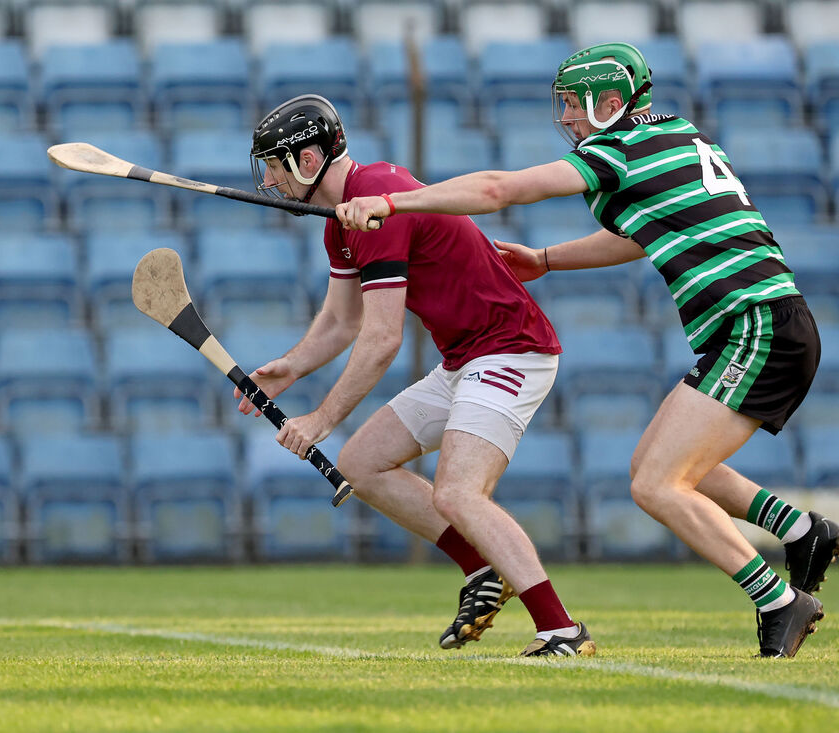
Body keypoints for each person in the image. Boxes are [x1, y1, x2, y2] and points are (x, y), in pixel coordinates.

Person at [336, 42, 839, 658]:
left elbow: (500, 188)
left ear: (611, 102)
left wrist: (392, 202)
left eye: (573, 106)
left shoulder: (618, 148)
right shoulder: (677, 137)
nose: (567, 119)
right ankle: (800, 531)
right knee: (663, 466)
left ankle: (779, 601)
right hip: (758, 323)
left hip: (755, 324)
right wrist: (548, 260)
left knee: (658, 485)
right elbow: (636, 237)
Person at [237, 93, 595, 657]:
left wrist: (321, 419)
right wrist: (289, 366)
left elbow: (382, 340)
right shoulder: (344, 222)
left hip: (511, 351)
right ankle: (483, 568)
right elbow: (339, 321)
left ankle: (561, 629)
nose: (272, 181)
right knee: (362, 464)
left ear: (309, 161)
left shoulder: (377, 199)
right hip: (464, 359)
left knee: (458, 492)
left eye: (277, 166)